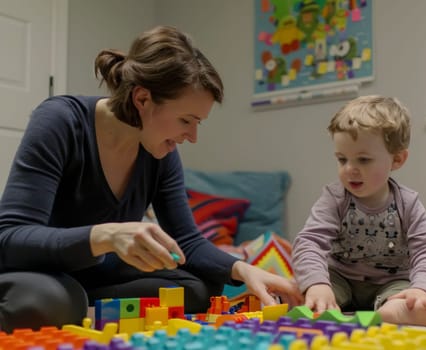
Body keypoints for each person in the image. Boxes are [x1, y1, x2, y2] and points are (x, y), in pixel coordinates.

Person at [0, 25, 302, 333]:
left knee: (201, 288)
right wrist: (105, 236)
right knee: (48, 300)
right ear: (142, 99)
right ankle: (67, 302)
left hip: (96, 277)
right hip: (38, 270)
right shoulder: (60, 120)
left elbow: (187, 241)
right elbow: (11, 237)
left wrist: (243, 270)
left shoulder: (160, 151)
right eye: (186, 120)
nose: (193, 136)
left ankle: (80, 304)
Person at [292, 95, 426, 327]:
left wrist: (423, 289)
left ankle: (398, 312)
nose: (350, 169)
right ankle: (321, 303)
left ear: (397, 159)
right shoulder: (334, 198)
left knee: (406, 297)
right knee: (304, 293)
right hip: (339, 279)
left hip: (391, 283)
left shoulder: (408, 203)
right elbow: (310, 242)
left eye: (363, 160)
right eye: (342, 159)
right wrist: (317, 284)